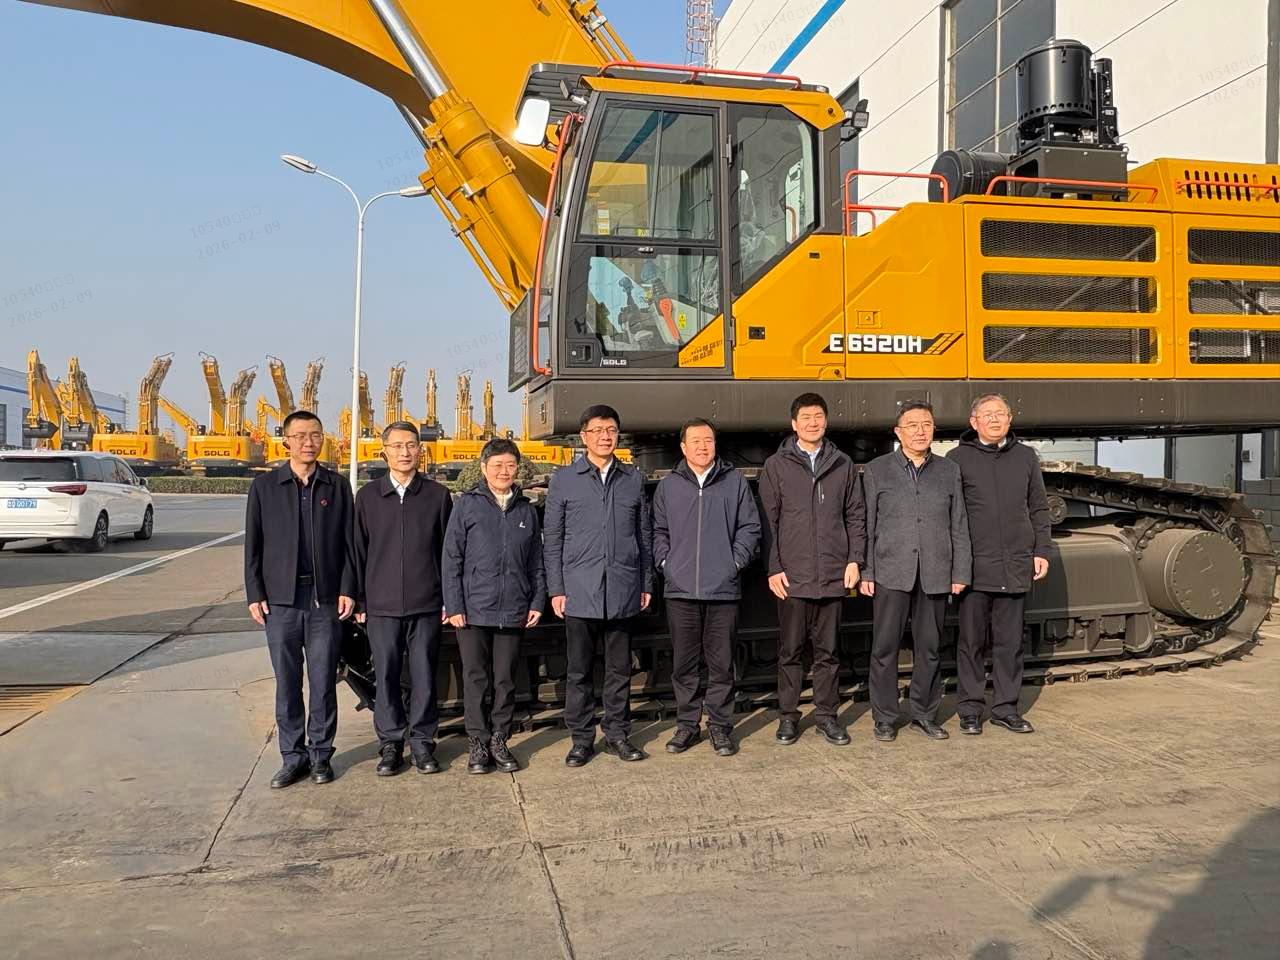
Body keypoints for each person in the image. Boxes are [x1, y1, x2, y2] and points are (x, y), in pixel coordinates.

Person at [244, 410, 355, 789]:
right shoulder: (265, 487)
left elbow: (349, 544)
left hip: (324, 601)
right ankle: (293, 758)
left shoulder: (336, 487)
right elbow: (254, 544)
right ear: (286, 441)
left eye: (316, 435)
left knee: (323, 681)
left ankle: (321, 755)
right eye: (301, 436)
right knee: (287, 683)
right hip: (281, 602)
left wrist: (348, 588)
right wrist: (255, 592)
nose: (309, 442)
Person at [544, 404, 653, 767]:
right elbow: (553, 538)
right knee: (579, 671)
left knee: (619, 670)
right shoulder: (564, 479)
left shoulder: (632, 479)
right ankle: (581, 739)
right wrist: (557, 589)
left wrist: (645, 582)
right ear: (584, 436)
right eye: (597, 431)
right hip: (580, 590)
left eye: (611, 430)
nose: (605, 437)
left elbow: (643, 535)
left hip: (622, 587)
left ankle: (618, 734)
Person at [759, 393, 865, 747]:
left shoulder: (842, 464)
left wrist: (855, 559)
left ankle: (826, 716)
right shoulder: (776, 465)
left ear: (826, 420)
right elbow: (768, 521)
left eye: (818, 416)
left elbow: (855, 515)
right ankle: (788, 717)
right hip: (793, 576)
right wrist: (774, 567)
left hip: (833, 573)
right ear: (794, 424)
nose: (813, 422)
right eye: (805, 417)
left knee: (828, 653)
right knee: (790, 652)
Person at [861, 402, 971, 743]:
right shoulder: (877, 470)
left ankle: (924, 713)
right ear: (898, 432)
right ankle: (885, 717)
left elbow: (959, 524)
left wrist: (960, 571)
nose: (920, 431)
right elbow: (866, 524)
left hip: (936, 572)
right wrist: (867, 571)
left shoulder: (949, 470)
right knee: (884, 648)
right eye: (912, 425)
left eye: (926, 424)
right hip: (890, 571)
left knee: (930, 648)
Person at [653, 418, 761, 757]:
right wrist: (667, 564)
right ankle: (687, 725)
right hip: (680, 590)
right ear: (683, 447)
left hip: (722, 589)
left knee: (721, 664)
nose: (703, 446)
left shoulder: (734, 483)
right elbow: (658, 531)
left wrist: (734, 563)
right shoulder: (669, 486)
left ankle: (719, 726)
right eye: (696, 441)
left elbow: (750, 528)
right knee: (684, 665)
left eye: (708, 440)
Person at [947, 394, 1051, 735]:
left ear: (1010, 419)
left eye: (1000, 414)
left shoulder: (1025, 457)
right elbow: (951, 515)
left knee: (1010, 644)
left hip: (1015, 564)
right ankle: (970, 709)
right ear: (973, 421)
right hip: (974, 568)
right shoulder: (957, 459)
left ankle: (1006, 708)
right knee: (971, 643)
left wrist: (1041, 550)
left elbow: (1038, 507)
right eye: (987, 414)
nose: (994, 419)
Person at [353, 421, 452, 777]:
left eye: (411, 445)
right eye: (397, 446)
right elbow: (357, 552)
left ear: (420, 450)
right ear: (384, 452)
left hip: (427, 603)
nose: (405, 452)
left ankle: (423, 742)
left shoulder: (437, 496)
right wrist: (360, 600)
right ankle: (391, 743)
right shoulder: (368, 497)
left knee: (424, 674)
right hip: (381, 606)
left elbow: (448, 552)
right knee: (386, 676)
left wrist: (448, 599)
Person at [443, 438, 546, 773]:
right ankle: (477, 742)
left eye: (510, 465)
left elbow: (536, 562)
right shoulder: (467, 506)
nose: (504, 471)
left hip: (513, 606)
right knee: (476, 678)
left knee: (505, 679)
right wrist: (454, 605)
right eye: (498, 465)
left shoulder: (526, 510)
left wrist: (536, 600)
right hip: (473, 608)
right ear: (484, 468)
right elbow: (452, 558)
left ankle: (500, 738)